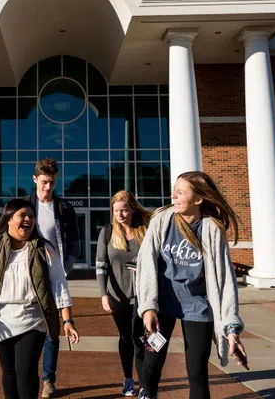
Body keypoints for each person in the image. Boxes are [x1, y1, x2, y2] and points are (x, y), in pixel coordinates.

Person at [135, 171, 248, 399]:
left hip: (198, 307)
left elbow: (225, 280)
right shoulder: (161, 220)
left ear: (198, 200)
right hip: (162, 305)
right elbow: (146, 263)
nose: (173, 196)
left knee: (197, 373)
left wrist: (232, 329)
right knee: (151, 365)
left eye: (180, 192)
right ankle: (148, 393)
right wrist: (148, 307)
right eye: (174, 190)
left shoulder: (212, 229)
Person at [0, 198, 80, 399]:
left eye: (31, 216)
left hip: (33, 319)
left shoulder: (44, 248)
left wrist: (68, 320)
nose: (28, 219)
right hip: (1, 320)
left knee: (26, 369)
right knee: (9, 371)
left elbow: (59, 284)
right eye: (23, 215)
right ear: (9, 219)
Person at [25, 158, 81, 398]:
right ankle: (26, 374)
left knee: (52, 330)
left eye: (53, 182)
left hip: (53, 278)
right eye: (45, 181)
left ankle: (48, 379)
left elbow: (75, 244)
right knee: (26, 327)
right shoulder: (24, 206)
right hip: (26, 277)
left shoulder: (64, 208)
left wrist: (63, 269)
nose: (48, 187)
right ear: (35, 179)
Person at [96, 190, 151, 397]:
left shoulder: (144, 230)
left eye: (124, 210)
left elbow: (155, 257)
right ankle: (128, 379)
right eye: (116, 210)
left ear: (132, 209)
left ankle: (144, 385)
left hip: (141, 295)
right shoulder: (107, 232)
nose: (120, 214)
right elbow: (101, 265)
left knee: (139, 339)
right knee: (125, 338)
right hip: (117, 296)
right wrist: (103, 294)